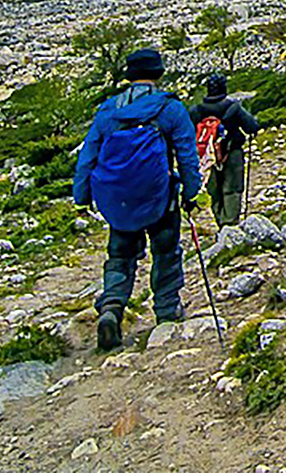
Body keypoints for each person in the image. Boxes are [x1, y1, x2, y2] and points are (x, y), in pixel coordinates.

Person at [72, 48, 203, 352]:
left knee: (120, 256)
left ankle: (112, 309)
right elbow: (187, 155)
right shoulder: (170, 109)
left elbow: (88, 156)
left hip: (119, 199)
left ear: (129, 76)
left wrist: (82, 196)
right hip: (160, 196)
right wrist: (192, 193)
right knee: (167, 252)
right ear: (158, 74)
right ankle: (168, 312)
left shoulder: (108, 111)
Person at [192, 74, 260, 228]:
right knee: (232, 189)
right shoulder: (233, 107)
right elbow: (251, 127)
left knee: (214, 191)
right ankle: (230, 224)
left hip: (206, 157)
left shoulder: (197, 110)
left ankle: (220, 222)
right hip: (232, 152)